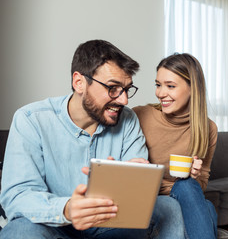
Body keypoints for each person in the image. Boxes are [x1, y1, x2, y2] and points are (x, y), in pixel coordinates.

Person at [0, 40, 185, 239]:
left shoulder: (128, 120)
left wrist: (132, 181)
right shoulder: (31, 120)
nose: (124, 100)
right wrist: (67, 209)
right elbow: (17, 196)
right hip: (54, 226)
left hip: (109, 224)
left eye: (127, 89)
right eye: (113, 88)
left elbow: (138, 197)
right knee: (20, 230)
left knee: (168, 207)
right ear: (79, 82)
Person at [133, 53, 218, 239]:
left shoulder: (208, 128)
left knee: (187, 186)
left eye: (170, 86)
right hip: (150, 200)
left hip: (185, 195)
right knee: (208, 208)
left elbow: (201, 183)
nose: (160, 93)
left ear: (192, 88)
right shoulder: (139, 116)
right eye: (158, 84)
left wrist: (195, 177)